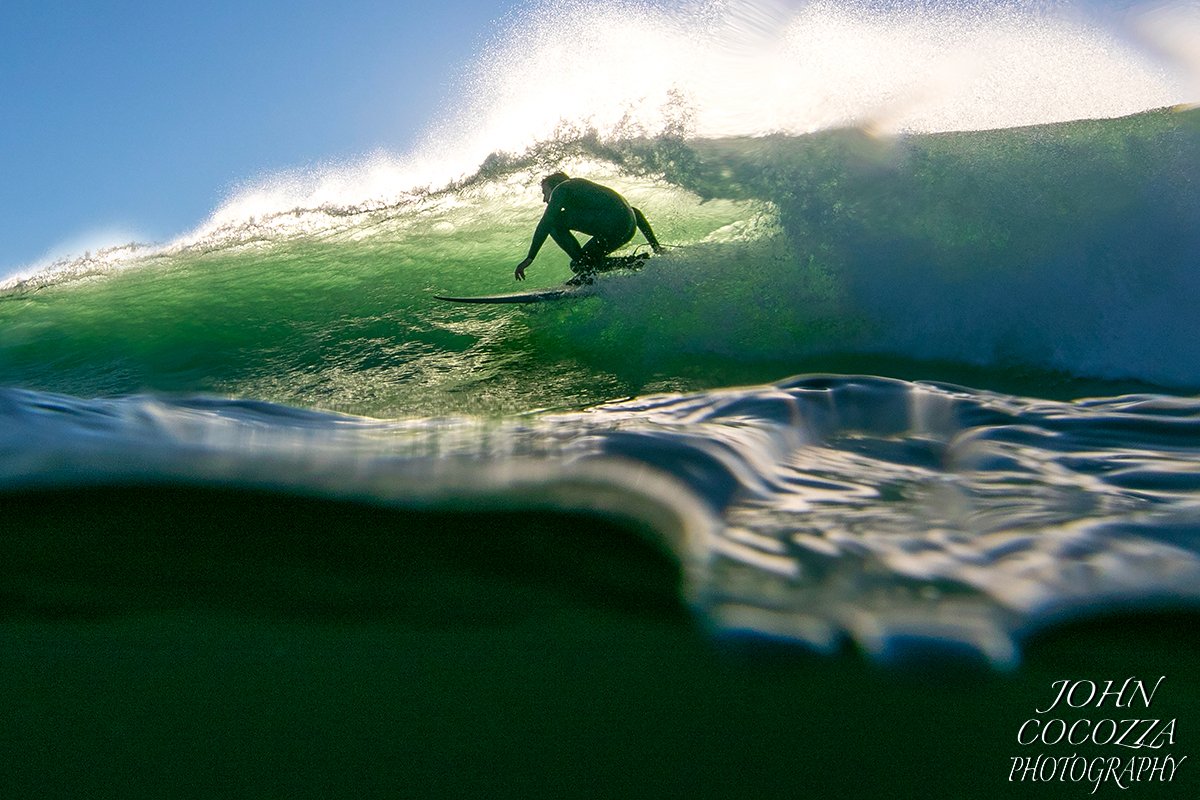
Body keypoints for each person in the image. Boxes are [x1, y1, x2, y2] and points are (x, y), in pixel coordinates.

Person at [514, 172, 663, 282]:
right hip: (627, 227)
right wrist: (655, 246)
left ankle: (585, 272)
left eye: (545, 193)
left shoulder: (561, 189)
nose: (545, 199)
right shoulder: (584, 191)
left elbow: (545, 223)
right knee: (581, 264)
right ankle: (634, 262)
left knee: (553, 222)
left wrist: (530, 258)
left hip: (611, 225)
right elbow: (635, 212)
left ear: (555, 186)